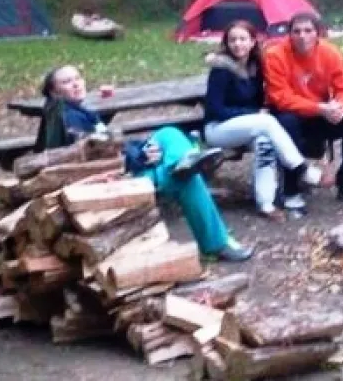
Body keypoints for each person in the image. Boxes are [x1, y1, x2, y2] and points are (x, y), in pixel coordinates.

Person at [36, 65, 253, 262]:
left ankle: (184, 162)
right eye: (67, 82)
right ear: (54, 92)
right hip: (111, 181)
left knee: (168, 133)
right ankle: (216, 243)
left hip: (124, 165)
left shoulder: (72, 111)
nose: (76, 84)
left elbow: (110, 144)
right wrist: (139, 158)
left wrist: (141, 150)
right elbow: (95, 158)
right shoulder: (69, 118)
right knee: (188, 180)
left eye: (78, 78)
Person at [203, 20, 330, 219]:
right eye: (232, 40)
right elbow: (215, 109)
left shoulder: (255, 68)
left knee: (265, 143)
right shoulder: (221, 69)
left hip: (248, 127)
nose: (238, 44)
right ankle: (302, 169)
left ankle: (266, 203)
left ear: (253, 41)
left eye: (243, 39)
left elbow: (262, 100)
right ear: (226, 44)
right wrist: (253, 114)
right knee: (266, 122)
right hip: (217, 130)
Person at [263, 12, 343, 211]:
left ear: (317, 33)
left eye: (308, 31)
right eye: (296, 31)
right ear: (289, 35)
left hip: (320, 114)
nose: (302, 36)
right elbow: (280, 97)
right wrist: (318, 108)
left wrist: (339, 107)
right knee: (287, 122)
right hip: (290, 113)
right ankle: (290, 190)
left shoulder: (330, 53)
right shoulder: (275, 55)